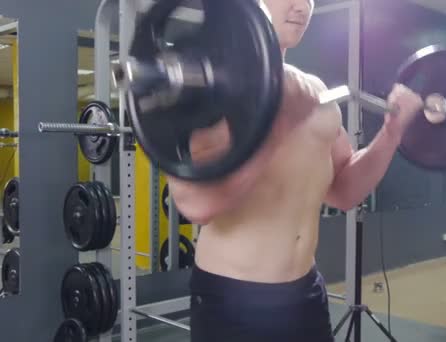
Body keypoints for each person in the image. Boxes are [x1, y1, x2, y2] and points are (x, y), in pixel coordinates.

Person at [167, 0, 424, 341]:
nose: (301, 6)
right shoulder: (214, 91)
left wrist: (391, 134)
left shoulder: (315, 92)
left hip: (304, 295)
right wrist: (282, 123)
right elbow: (199, 206)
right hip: (233, 299)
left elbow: (344, 190)